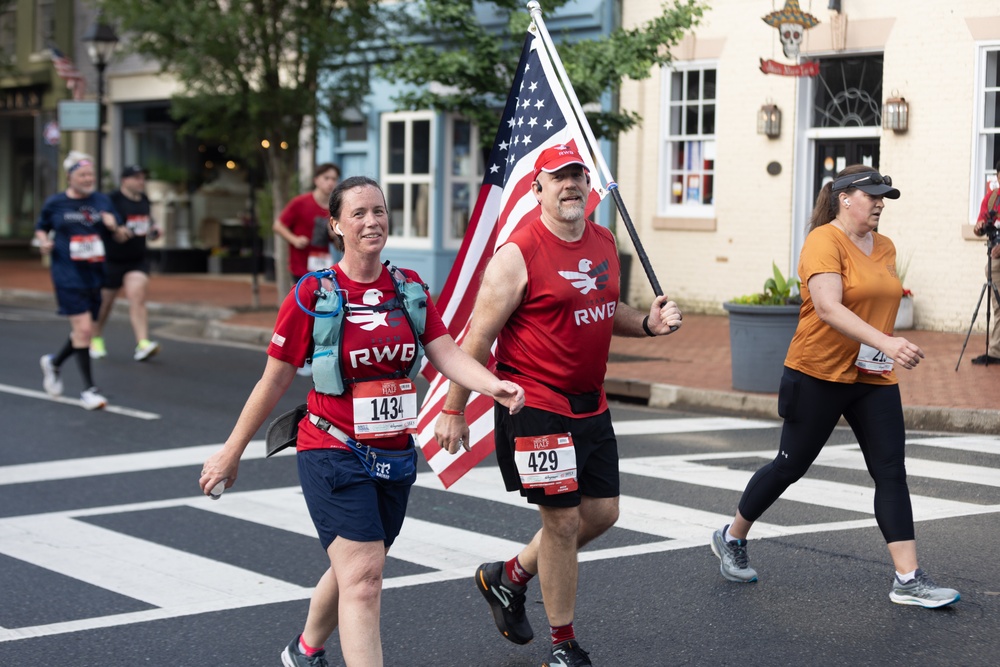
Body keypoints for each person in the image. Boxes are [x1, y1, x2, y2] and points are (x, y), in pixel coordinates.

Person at [199, 176, 525, 667]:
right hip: (332, 448)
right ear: (335, 225)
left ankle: (304, 651)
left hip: (394, 453)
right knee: (365, 578)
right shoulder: (313, 294)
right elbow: (273, 380)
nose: (372, 221)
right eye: (358, 213)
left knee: (356, 567)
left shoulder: (409, 288)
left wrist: (490, 384)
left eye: (379, 211)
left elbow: (445, 352)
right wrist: (232, 449)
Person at [433, 145, 683, 666]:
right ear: (537, 188)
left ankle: (508, 577)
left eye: (577, 176)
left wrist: (649, 324)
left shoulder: (605, 240)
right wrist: (454, 407)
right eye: (558, 178)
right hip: (535, 401)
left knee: (602, 513)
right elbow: (478, 336)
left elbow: (606, 306)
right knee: (563, 523)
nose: (570, 185)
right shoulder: (518, 253)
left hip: (591, 402)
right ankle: (563, 644)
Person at [710, 165, 960, 609]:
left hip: (873, 375)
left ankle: (908, 578)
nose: (881, 202)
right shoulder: (823, 240)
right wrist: (888, 340)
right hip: (817, 371)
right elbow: (827, 307)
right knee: (789, 466)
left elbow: (877, 302)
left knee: (890, 471)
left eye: (885, 196)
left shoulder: (884, 246)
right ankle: (732, 536)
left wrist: (883, 349)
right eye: (874, 195)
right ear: (845, 197)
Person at [34, 150, 123, 410]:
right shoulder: (55, 203)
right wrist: (43, 242)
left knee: (81, 332)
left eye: (90, 174)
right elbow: (41, 227)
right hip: (66, 273)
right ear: (69, 176)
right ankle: (89, 390)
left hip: (95, 274)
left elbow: (119, 233)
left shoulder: (102, 201)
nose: (87, 178)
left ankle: (54, 363)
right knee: (85, 331)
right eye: (82, 174)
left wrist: (113, 226)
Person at [90, 164, 161, 362]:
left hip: (136, 259)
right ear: (125, 180)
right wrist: (114, 228)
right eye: (136, 178)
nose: (141, 181)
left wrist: (154, 229)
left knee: (137, 297)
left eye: (142, 177)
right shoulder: (112, 200)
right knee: (105, 304)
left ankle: (143, 343)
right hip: (112, 260)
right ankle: (95, 338)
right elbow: (102, 219)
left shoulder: (144, 200)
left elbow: (148, 223)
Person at [273, 162, 342, 284]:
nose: (330, 182)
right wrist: (294, 239)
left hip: (323, 268)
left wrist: (334, 235)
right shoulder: (300, 202)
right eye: (326, 178)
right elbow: (278, 225)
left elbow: (339, 247)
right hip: (300, 267)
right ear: (316, 180)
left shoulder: (335, 209)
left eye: (334, 179)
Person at [971, 160, 1000, 365]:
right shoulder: (991, 199)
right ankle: (996, 352)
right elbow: (980, 226)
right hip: (996, 261)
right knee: (998, 306)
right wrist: (979, 227)